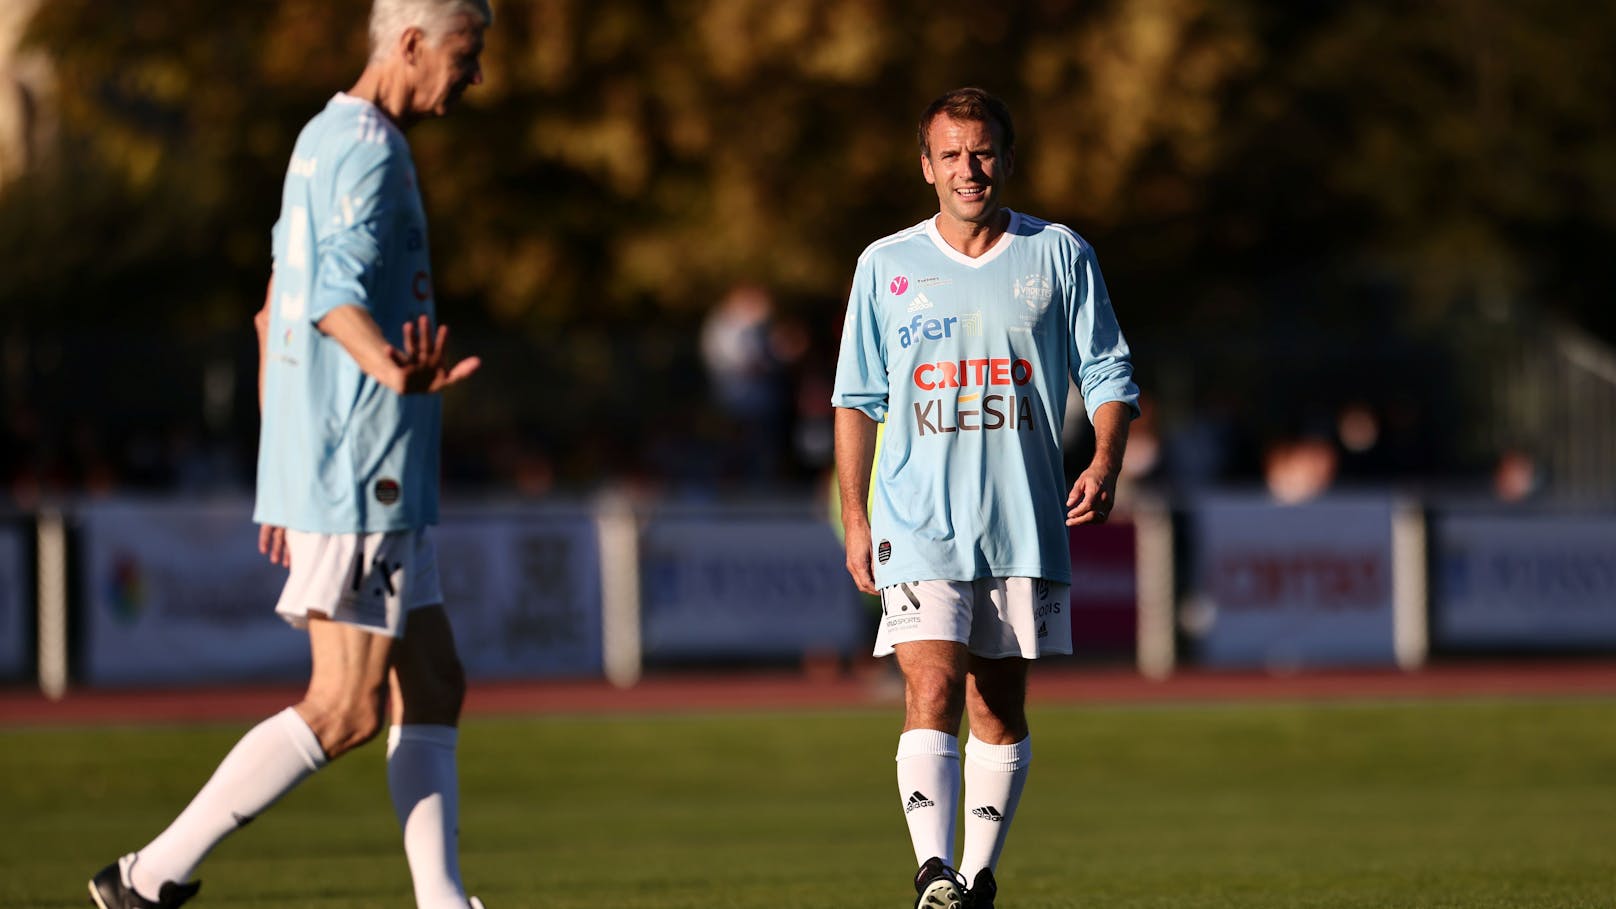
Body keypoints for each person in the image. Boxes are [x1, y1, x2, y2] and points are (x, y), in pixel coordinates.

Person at [88, 2, 493, 907]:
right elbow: (329, 303)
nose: (474, 75)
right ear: (414, 43)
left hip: (357, 464)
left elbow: (276, 308)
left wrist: (280, 474)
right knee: (346, 707)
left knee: (434, 681)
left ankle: (443, 901)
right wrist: (392, 367)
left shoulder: (321, 136)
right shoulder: (369, 150)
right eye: (468, 53)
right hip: (366, 468)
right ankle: (150, 875)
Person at [832, 87, 1138, 909]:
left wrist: (1105, 457)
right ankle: (932, 873)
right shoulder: (884, 265)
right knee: (930, 687)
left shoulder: (1059, 253)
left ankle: (977, 876)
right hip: (916, 517)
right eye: (952, 154)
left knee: (996, 703)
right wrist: (856, 516)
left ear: (1005, 158)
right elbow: (858, 399)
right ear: (925, 165)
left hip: (1021, 517)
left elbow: (1108, 372)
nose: (970, 169)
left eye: (983, 152)